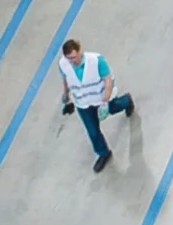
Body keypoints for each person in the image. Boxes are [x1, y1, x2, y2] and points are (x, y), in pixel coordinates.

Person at [57, 38, 135, 172]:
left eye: (74, 57)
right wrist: (66, 96)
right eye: (69, 58)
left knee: (114, 107)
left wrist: (105, 101)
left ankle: (126, 101)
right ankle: (103, 153)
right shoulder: (63, 64)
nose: (72, 61)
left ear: (80, 50)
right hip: (83, 104)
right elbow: (66, 79)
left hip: (100, 99)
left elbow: (107, 80)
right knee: (92, 131)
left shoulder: (96, 61)